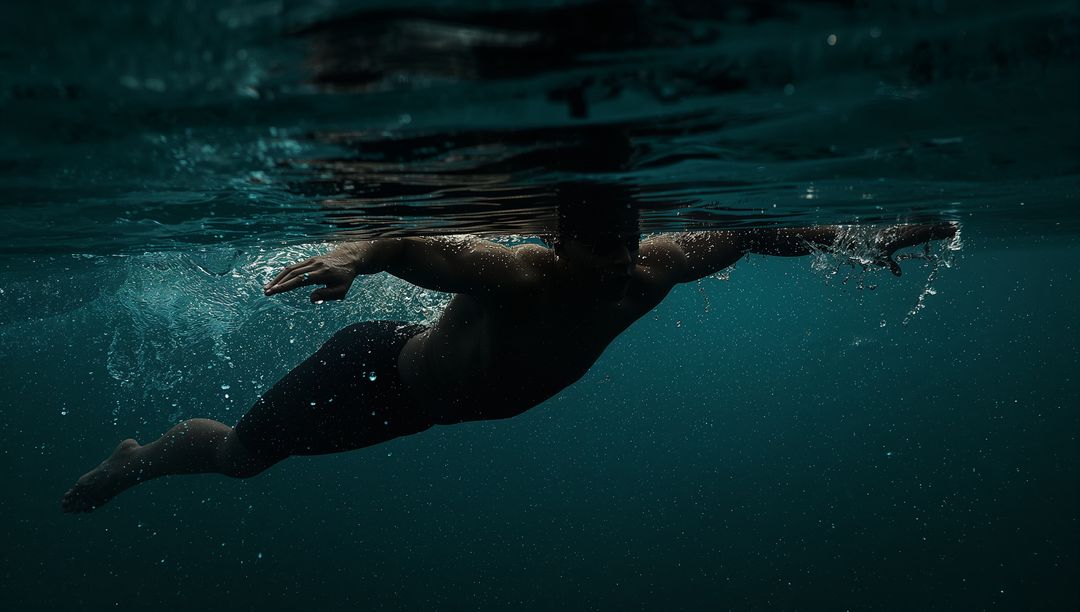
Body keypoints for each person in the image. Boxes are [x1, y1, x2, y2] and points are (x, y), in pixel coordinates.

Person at [61, 197, 956, 513]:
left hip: (429, 409)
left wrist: (859, 239)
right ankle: (137, 461)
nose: (615, 266)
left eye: (623, 248)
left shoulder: (651, 271)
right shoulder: (521, 272)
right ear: (558, 243)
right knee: (240, 459)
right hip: (374, 378)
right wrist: (354, 256)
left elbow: (756, 232)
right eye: (595, 252)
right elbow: (411, 247)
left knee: (251, 463)